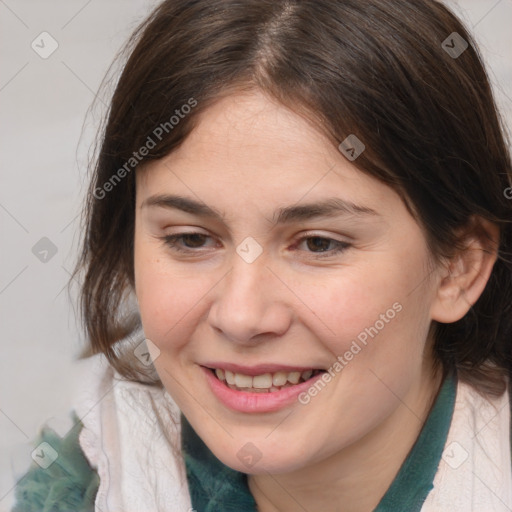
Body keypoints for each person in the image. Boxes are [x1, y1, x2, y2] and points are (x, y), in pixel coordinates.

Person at [12, 0, 512, 510]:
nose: (241, 316)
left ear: (457, 267)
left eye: (319, 243)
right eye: (191, 239)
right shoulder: (84, 483)